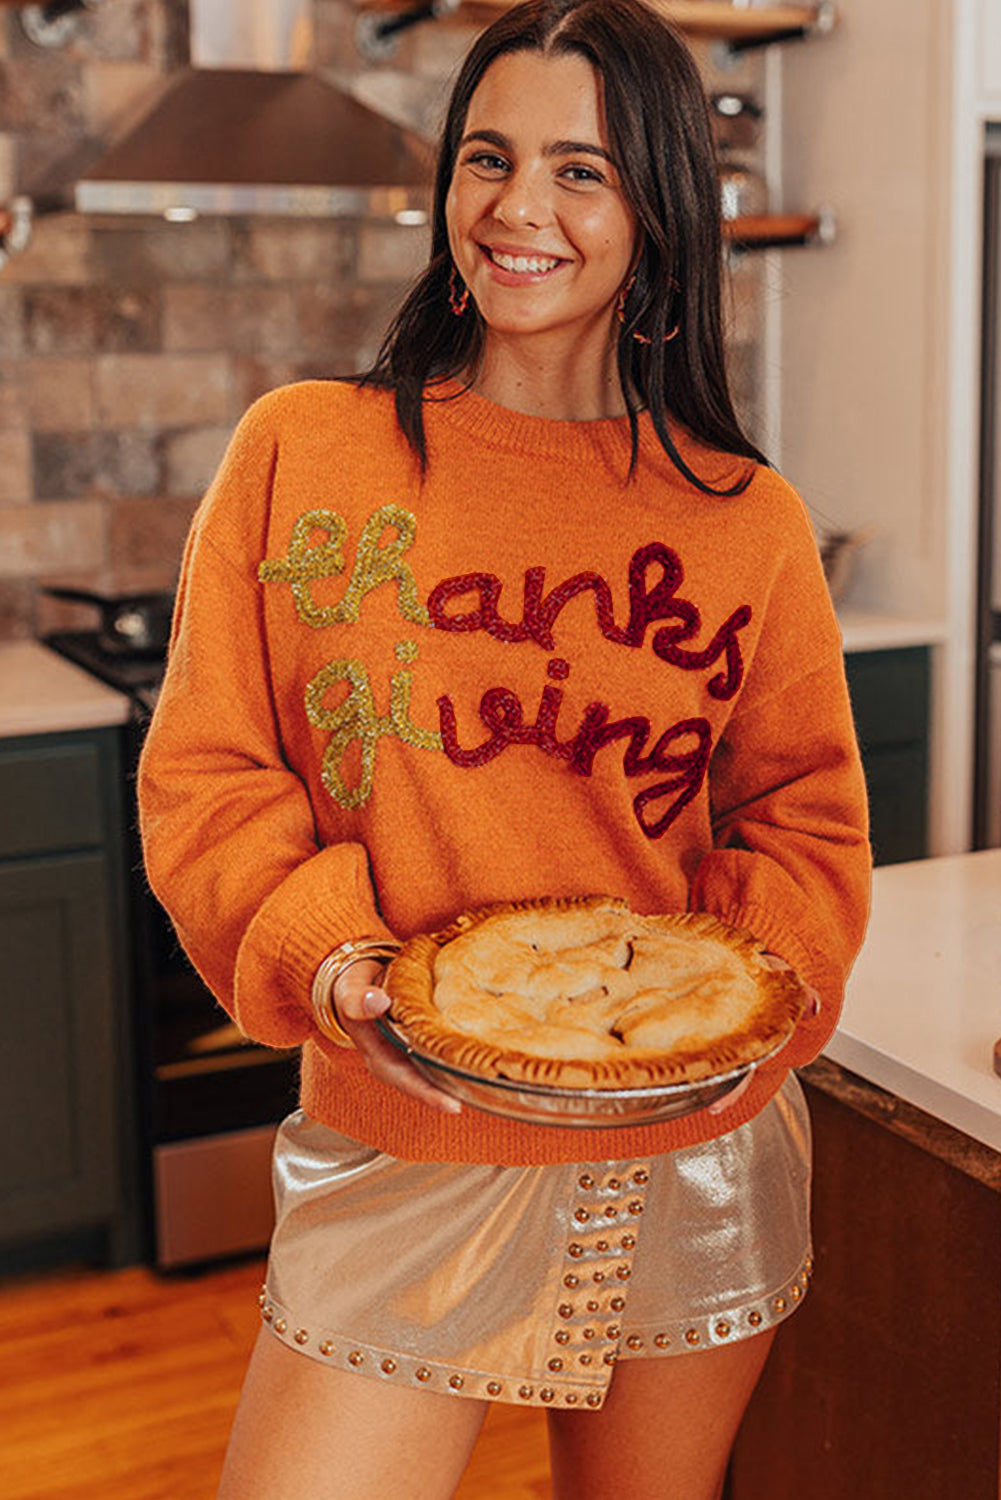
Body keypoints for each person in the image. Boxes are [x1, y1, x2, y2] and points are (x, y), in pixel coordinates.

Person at [137, 1, 871, 1495]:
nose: (515, 207)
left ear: (660, 207)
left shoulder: (745, 520)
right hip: (401, 1126)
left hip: (691, 1149)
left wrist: (722, 1010)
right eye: (487, 156)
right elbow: (207, 775)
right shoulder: (306, 450)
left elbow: (803, 821)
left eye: (580, 170)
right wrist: (340, 966)